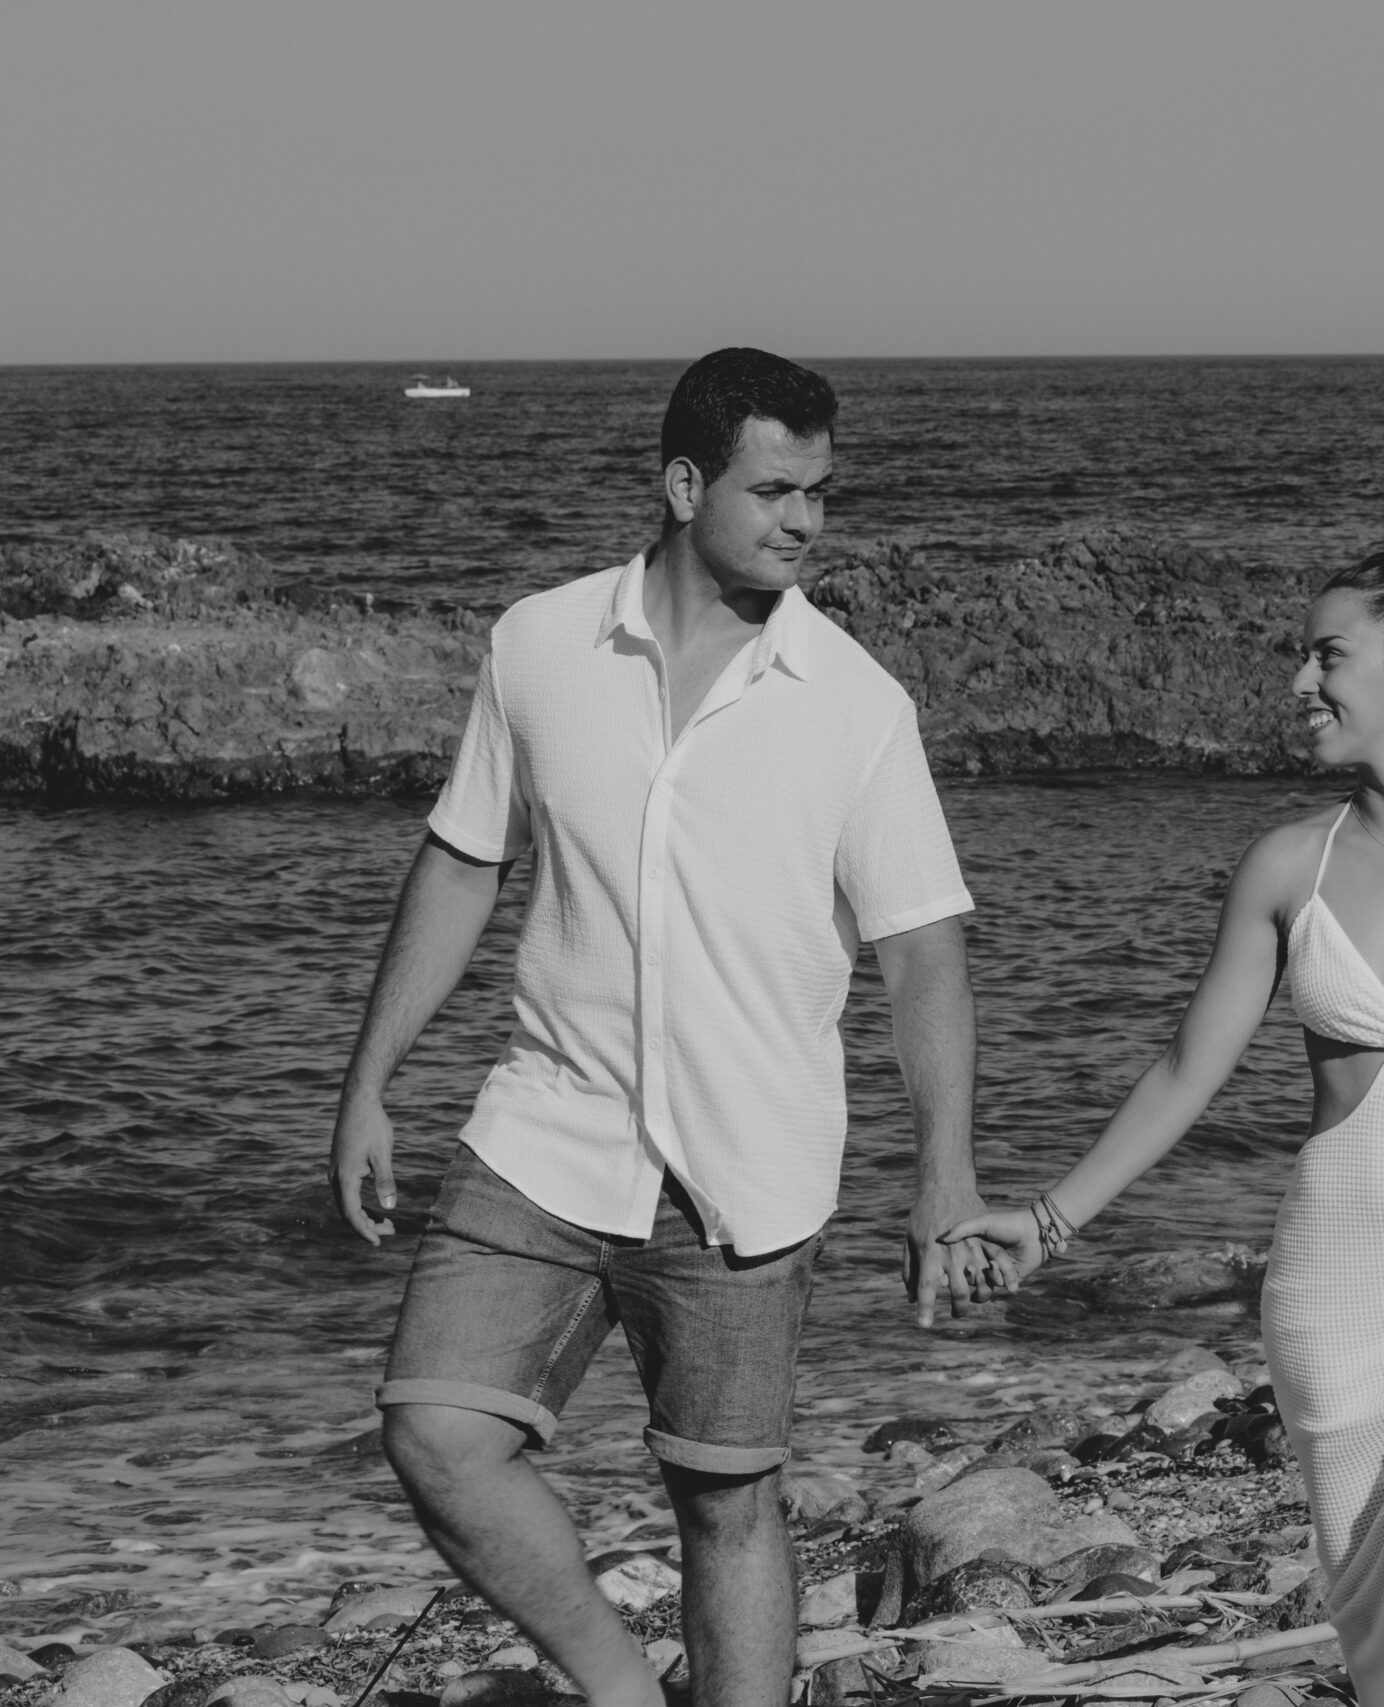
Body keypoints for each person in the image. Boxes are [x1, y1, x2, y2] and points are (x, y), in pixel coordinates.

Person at [328, 347, 992, 1707]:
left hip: (748, 1163)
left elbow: (923, 951)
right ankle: (625, 1689)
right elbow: (463, 860)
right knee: (436, 1432)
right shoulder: (538, 644)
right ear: (686, 485)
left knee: (725, 1499)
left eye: (820, 491)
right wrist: (369, 1080)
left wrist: (946, 1172)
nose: (805, 520)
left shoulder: (857, 706)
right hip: (545, 1127)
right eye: (774, 490)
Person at [945, 552, 1384, 1707]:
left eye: (1326, 656)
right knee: (1373, 1624)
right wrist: (1049, 1222)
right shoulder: (1283, 868)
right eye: (1302, 657)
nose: (1297, 684)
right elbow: (1185, 1071)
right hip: (1335, 1286)